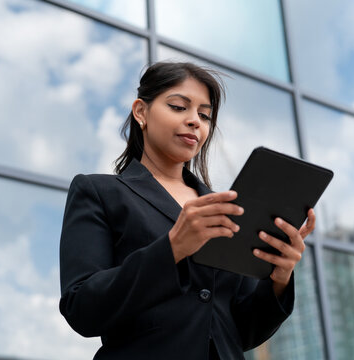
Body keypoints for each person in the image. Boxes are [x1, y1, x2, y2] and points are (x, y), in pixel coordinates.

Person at [59, 62, 315, 359]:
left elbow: (243, 332)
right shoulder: (98, 192)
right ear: (141, 112)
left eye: (204, 115)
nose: (195, 121)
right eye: (179, 107)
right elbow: (82, 308)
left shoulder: (227, 209)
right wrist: (172, 249)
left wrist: (279, 279)